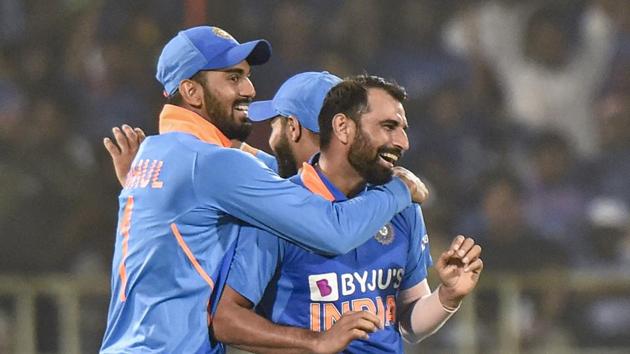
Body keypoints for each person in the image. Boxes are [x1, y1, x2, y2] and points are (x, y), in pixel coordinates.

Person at [99, 26, 427, 354]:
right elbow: (333, 229)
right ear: (192, 91)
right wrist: (399, 190)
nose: (250, 88)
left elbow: (280, 178)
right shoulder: (212, 164)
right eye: (233, 77)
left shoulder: (156, 154)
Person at [212, 74, 483, 353]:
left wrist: (447, 297)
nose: (404, 142)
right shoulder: (278, 210)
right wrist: (315, 342)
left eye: (402, 128)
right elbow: (226, 320)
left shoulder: (403, 205)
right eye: (388, 126)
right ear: (342, 127)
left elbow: (406, 322)